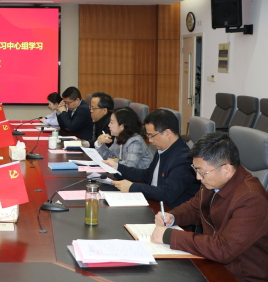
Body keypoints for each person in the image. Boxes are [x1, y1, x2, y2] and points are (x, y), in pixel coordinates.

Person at [151, 132, 268, 282]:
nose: (198, 177)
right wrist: (173, 217)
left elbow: (224, 249)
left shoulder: (252, 199)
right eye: (196, 170)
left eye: (202, 172)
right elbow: (195, 208)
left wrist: (169, 236)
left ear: (227, 169)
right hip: (211, 262)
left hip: (238, 275)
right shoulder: (213, 182)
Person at [103, 109, 199, 208]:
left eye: (151, 135)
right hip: (155, 201)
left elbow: (167, 193)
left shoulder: (183, 159)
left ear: (167, 133)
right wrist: (118, 167)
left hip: (169, 210)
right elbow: (148, 175)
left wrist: (132, 187)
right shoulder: (163, 148)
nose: (150, 140)